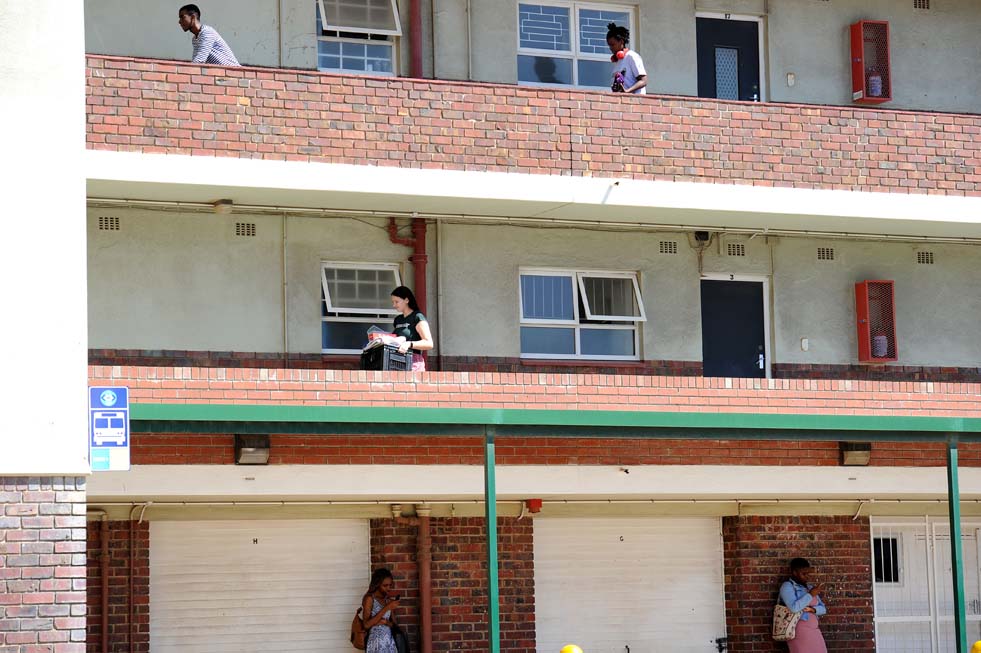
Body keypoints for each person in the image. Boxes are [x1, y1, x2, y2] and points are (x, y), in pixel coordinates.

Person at [779, 557, 828, 653]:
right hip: (798, 631)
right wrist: (810, 595)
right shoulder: (787, 586)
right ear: (795, 572)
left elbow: (823, 609)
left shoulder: (809, 587)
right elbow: (794, 608)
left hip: (814, 630)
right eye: (804, 574)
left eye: (808, 573)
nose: (807, 576)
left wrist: (812, 610)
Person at [391, 286, 433, 372]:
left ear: (406, 300)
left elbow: (429, 343)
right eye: (393, 302)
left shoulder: (417, 317)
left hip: (414, 363)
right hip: (396, 363)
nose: (394, 305)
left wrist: (409, 344)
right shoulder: (398, 320)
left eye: (396, 302)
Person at [362, 568, 400, 653]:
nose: (388, 588)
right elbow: (366, 625)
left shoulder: (388, 601)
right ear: (377, 584)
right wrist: (386, 608)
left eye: (390, 585)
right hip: (375, 644)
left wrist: (385, 622)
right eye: (385, 585)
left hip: (389, 644)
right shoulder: (370, 599)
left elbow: (395, 626)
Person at [607, 23, 647, 94]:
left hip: (635, 102)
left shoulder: (632, 56)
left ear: (621, 42)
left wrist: (626, 92)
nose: (610, 48)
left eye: (613, 44)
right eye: (609, 45)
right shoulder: (617, 63)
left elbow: (643, 81)